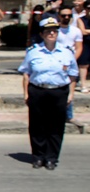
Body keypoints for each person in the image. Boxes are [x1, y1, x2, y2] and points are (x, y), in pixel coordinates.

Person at [20, 17, 78, 170]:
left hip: (59, 91)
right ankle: (38, 156)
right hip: (38, 90)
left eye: (54, 31)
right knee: (37, 125)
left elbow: (72, 75)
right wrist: (26, 93)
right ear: (42, 34)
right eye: (48, 31)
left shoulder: (66, 52)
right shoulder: (33, 52)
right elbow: (26, 74)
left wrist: (71, 94)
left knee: (56, 126)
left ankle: (51, 157)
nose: (51, 33)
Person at [56, 6, 84, 124]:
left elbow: (79, 47)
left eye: (69, 15)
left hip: (70, 64)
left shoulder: (75, 31)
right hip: (56, 63)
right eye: (64, 15)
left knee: (69, 90)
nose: (66, 18)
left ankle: (69, 115)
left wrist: (71, 61)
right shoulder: (54, 30)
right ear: (59, 16)